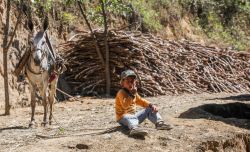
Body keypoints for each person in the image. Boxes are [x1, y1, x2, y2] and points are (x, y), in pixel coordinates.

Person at [115, 69, 173, 136]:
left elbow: (141, 101)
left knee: (149, 109)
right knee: (128, 116)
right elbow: (125, 105)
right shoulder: (121, 92)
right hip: (122, 118)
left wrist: (151, 105)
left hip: (133, 117)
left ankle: (159, 123)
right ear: (122, 83)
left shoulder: (133, 93)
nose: (130, 83)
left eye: (132, 81)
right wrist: (131, 94)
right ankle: (134, 128)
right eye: (128, 81)